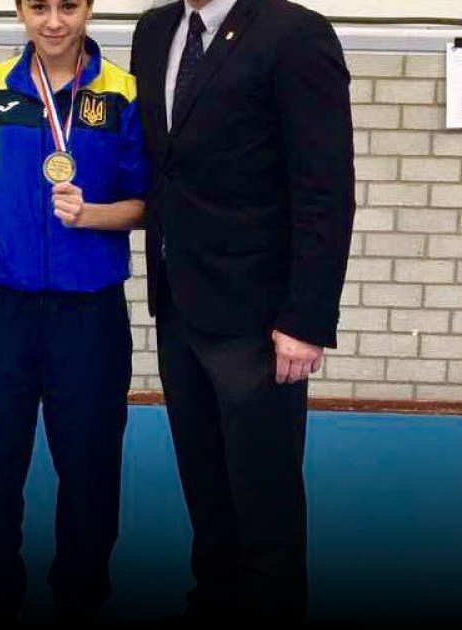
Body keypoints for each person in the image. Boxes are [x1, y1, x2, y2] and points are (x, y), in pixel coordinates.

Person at [130, 0, 355, 624]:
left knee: (264, 502)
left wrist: (306, 319)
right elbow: (164, 167)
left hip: (260, 316)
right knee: (205, 490)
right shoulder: (154, 32)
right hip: (179, 302)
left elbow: (325, 189)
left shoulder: (296, 35)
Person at [0, 0, 149, 624]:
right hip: (1, 303)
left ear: (89, 8)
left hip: (87, 307)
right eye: (39, 6)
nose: (54, 21)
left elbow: (145, 200)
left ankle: (81, 596)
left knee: (90, 458)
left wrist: (92, 215)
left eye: (69, 5)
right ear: (20, 11)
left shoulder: (122, 92)